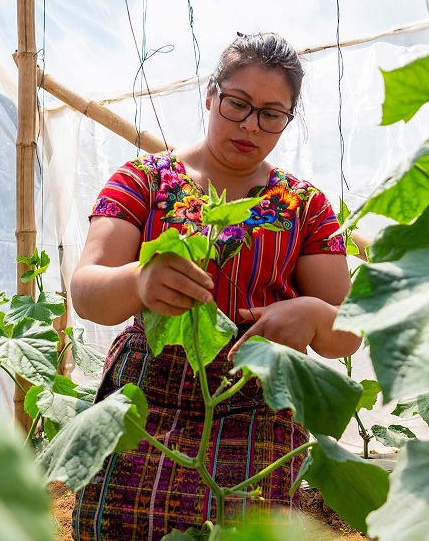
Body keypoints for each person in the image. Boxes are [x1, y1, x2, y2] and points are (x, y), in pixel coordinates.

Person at [69, 31, 362, 540]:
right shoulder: (144, 180)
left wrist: (314, 315)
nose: (250, 125)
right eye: (238, 104)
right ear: (211, 96)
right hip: (145, 393)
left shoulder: (304, 206)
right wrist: (140, 279)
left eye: (271, 114)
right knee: (118, 524)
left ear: (288, 119)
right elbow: (86, 291)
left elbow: (348, 331)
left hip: (257, 400)